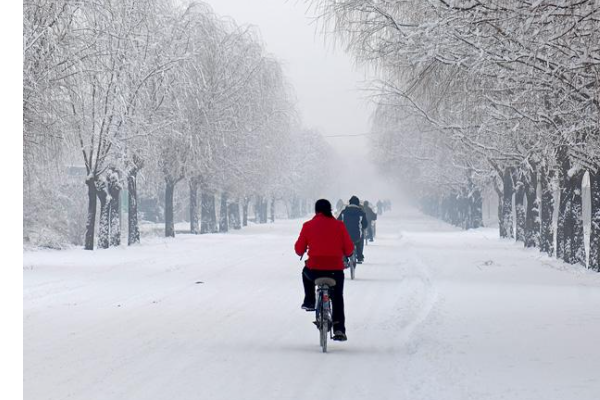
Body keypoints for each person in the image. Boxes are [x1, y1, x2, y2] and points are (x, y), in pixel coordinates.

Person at [295, 199, 354, 341]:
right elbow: (349, 249)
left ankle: (309, 300)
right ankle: (339, 328)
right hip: (335, 270)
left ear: (316, 211)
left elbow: (298, 249)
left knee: (305, 273)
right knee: (338, 297)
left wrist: (304, 250)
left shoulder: (308, 225)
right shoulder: (339, 226)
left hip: (314, 269)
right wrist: (346, 254)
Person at [337, 195, 368, 263]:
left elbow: (338, 222)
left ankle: (344, 258)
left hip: (346, 236)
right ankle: (359, 257)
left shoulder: (344, 212)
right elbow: (365, 225)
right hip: (357, 236)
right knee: (359, 240)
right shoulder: (361, 213)